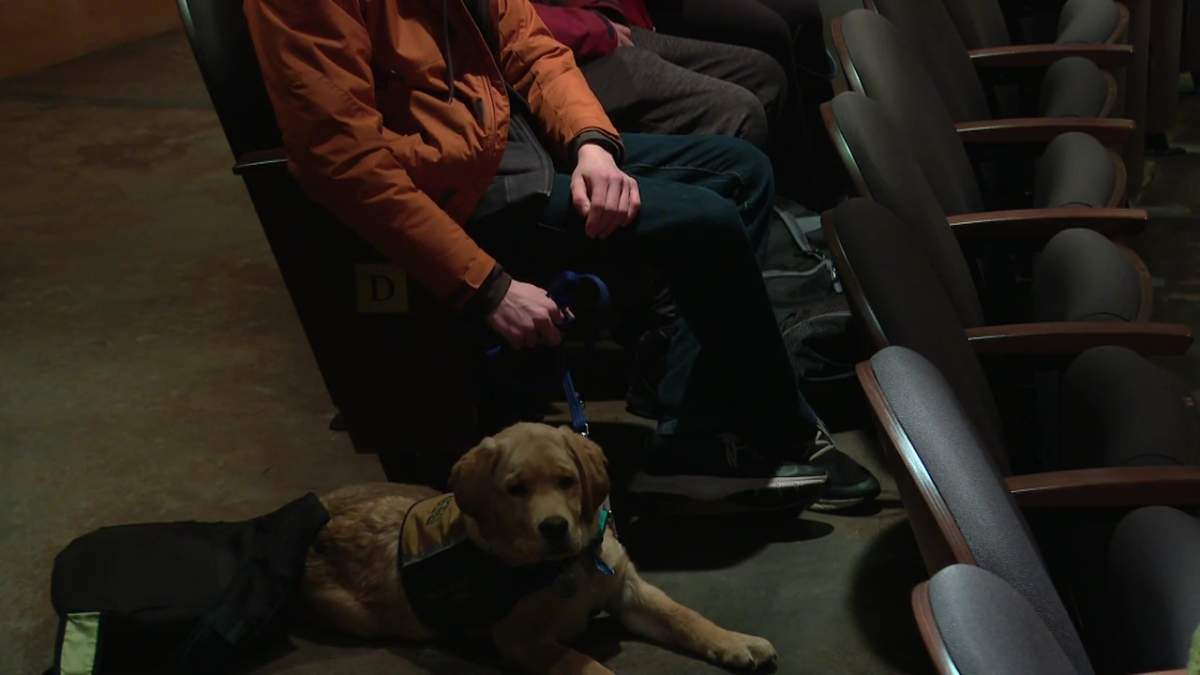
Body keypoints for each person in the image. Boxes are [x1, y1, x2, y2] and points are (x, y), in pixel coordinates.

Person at [243, 0, 879, 510]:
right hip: (448, 195)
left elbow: (531, 47)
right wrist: (486, 286)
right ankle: (777, 428)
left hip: (502, 145)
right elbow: (342, 161)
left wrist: (591, 144)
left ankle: (695, 434)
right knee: (706, 218)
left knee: (740, 169)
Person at [532, 0, 788, 150]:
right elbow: (518, 25)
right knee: (740, 111)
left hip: (596, 17)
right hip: (562, 47)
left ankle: (792, 193)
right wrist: (592, 28)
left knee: (763, 76)